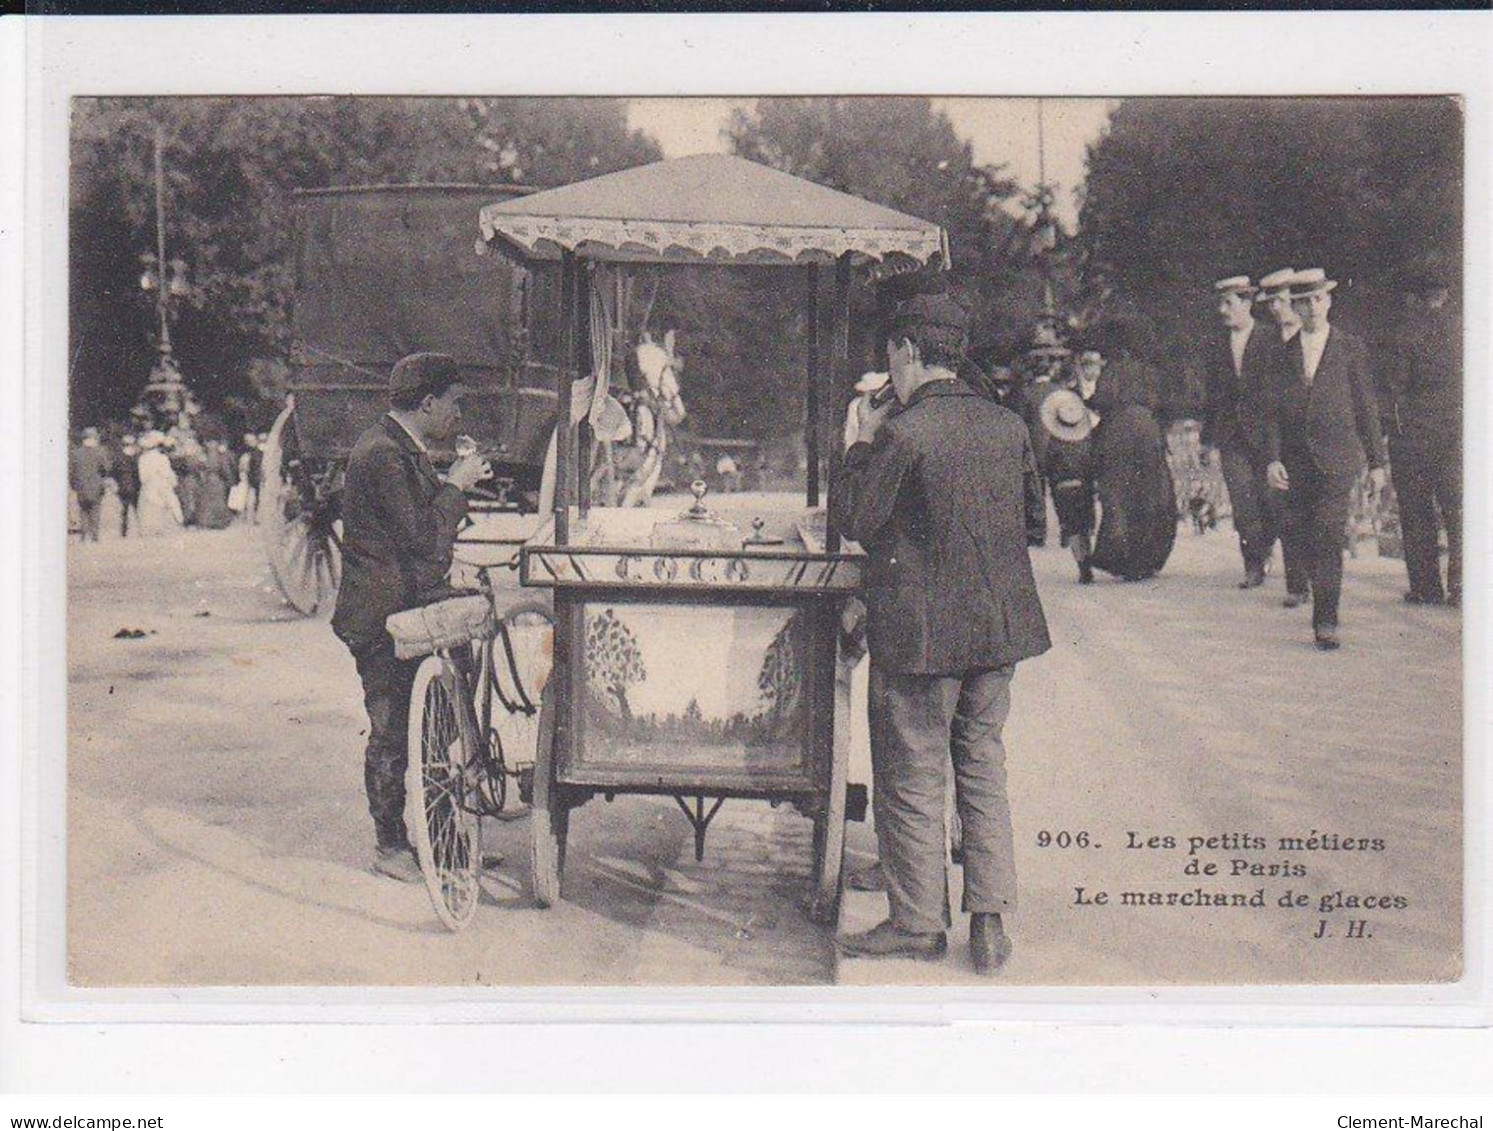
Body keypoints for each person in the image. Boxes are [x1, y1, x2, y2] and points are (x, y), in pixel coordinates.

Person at [831, 295, 1051, 975]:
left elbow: (856, 521)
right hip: (998, 631)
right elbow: (1034, 521)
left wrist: (858, 443)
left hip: (922, 636)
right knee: (981, 764)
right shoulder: (1009, 425)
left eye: (890, 355)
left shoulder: (903, 432)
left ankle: (918, 921)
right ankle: (989, 922)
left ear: (905, 349)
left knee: (912, 772)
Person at [330, 353, 490, 883]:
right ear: (427, 403)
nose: (459, 415)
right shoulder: (383, 455)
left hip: (403, 607)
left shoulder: (396, 446)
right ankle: (390, 846)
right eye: (454, 404)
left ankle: (440, 841)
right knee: (393, 730)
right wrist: (457, 486)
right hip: (382, 617)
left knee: (430, 726)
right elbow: (422, 539)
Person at [1263, 270, 1388, 650]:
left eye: (1318, 299)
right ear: (1296, 307)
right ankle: (1317, 600)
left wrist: (1377, 462)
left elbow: (1366, 407)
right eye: (1304, 301)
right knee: (1302, 537)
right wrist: (1272, 459)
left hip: (1338, 459)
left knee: (1328, 535)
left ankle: (1326, 621)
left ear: (1329, 301)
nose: (1313, 307)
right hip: (1297, 462)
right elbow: (1271, 412)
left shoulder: (1350, 348)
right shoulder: (1282, 355)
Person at [1386, 273, 1461, 608]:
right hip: (1457, 433)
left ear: (1414, 299)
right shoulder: (1465, 330)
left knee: (1417, 514)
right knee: (1458, 511)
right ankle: (1462, 585)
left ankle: (1426, 587)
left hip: (1414, 436)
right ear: (1444, 295)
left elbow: (1394, 390)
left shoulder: (1405, 334)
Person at [1203, 275, 1281, 589]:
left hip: (1267, 436)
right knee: (1242, 501)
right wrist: (1207, 440)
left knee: (1272, 500)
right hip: (1231, 436)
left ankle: (1267, 544)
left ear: (1247, 303)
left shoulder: (1270, 339)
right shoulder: (1216, 344)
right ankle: (1252, 564)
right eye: (1220, 304)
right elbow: (1212, 396)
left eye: (1229, 303)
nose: (1223, 310)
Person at [1086, 321, 1178, 581]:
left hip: (1118, 433)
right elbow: (1167, 405)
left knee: (1118, 494)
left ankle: (1121, 557)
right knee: (1150, 494)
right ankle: (1146, 558)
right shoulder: (1151, 372)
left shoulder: (1113, 371)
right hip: (1148, 432)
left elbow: (1101, 400)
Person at [1256, 267, 1312, 606]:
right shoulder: (1267, 341)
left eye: (1280, 300)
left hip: (1317, 436)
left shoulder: (1317, 336)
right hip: (1284, 437)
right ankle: (1296, 584)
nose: (1276, 307)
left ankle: (1315, 578)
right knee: (1288, 511)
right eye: (1271, 302)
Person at [1038, 387, 1098, 583]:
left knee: (1072, 529)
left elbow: (1046, 467)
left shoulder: (1055, 444)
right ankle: (1087, 559)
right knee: (1084, 527)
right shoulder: (1086, 441)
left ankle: (1082, 565)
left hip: (1062, 489)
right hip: (1084, 487)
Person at [136, 431, 183, 535]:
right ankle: (167, 526)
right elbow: (167, 473)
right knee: (167, 503)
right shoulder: (162, 458)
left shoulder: (143, 459)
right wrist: (171, 482)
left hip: (149, 485)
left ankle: (150, 529)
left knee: (150, 506)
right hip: (162, 484)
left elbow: (142, 477)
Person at [69, 427, 109, 543]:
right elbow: (106, 468)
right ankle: (94, 536)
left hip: (81, 486)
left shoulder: (76, 453)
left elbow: (72, 471)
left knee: (83, 510)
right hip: (96, 485)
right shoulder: (100, 452)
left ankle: (83, 536)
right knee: (95, 510)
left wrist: (74, 485)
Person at [196, 438, 236, 529]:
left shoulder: (204, 457)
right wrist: (229, 480)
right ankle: (218, 522)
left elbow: (200, 469)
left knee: (208, 501)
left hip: (208, 480)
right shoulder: (220, 457)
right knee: (218, 501)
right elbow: (225, 469)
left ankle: (207, 522)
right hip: (217, 480)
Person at [115, 435, 141, 538]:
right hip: (134, 486)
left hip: (123, 486)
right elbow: (138, 473)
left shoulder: (119, 457)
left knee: (124, 510)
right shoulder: (136, 458)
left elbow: (114, 472)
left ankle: (124, 531)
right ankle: (140, 528)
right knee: (137, 508)